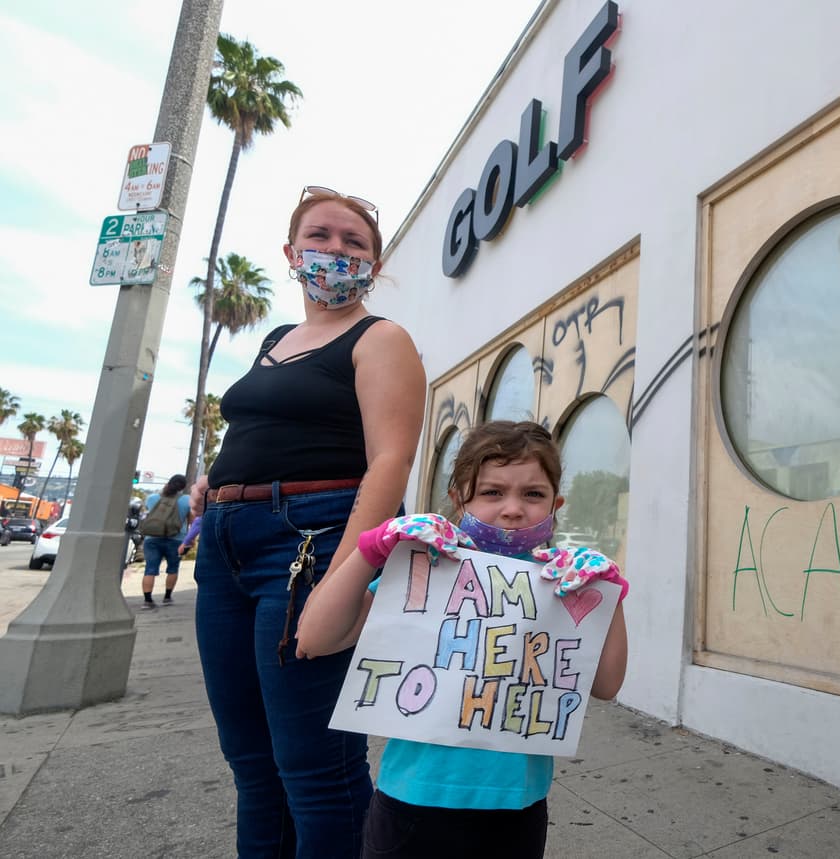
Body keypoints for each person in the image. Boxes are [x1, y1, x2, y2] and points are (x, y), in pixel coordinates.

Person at [191, 186, 426, 859]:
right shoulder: (274, 339)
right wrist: (220, 475)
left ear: (373, 266)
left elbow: (390, 462)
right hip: (226, 546)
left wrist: (344, 579)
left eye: (355, 243)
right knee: (251, 763)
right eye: (321, 236)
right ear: (292, 252)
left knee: (316, 769)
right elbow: (265, 424)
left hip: (310, 543)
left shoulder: (380, 338)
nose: (335, 251)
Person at [296, 420, 629, 859]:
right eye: (492, 492)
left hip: (517, 810)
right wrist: (372, 550)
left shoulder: (563, 584)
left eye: (533, 494)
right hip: (411, 802)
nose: (513, 508)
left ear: (555, 504)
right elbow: (315, 638)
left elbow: (606, 685)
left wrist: (610, 595)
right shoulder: (427, 568)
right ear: (459, 499)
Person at [139, 474, 190, 607]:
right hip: (177, 538)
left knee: (150, 569)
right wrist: (190, 540)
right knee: (173, 568)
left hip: (152, 538)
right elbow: (191, 521)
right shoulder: (186, 500)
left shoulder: (152, 498)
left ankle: (147, 600)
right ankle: (167, 597)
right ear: (183, 487)